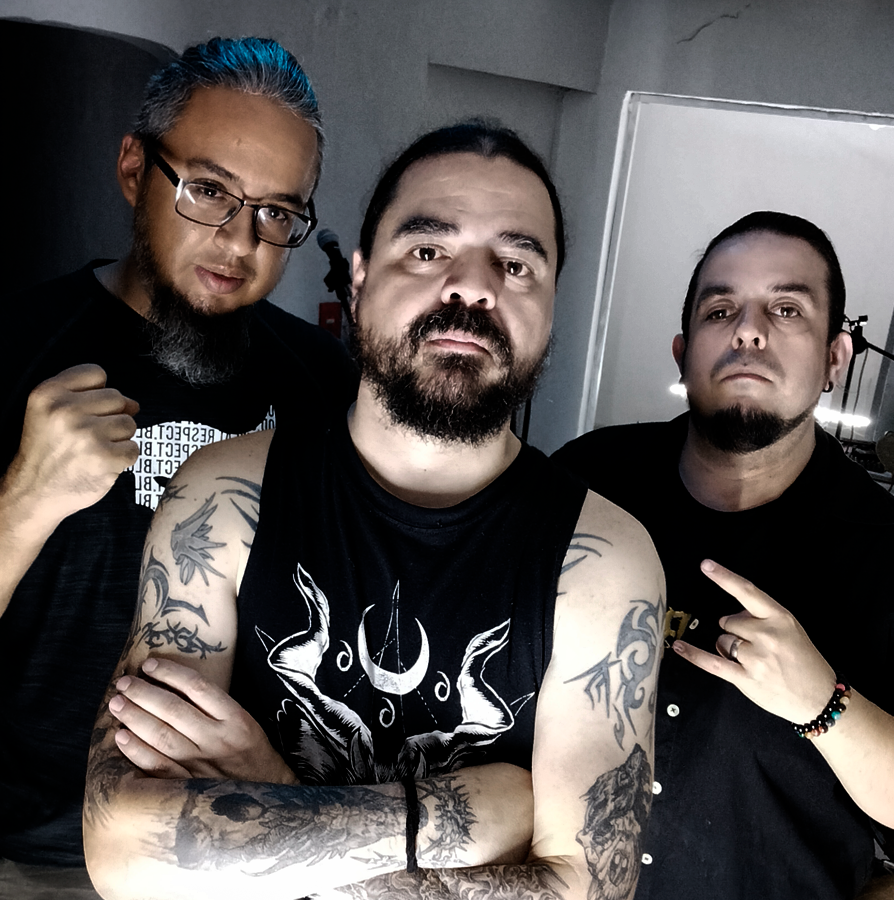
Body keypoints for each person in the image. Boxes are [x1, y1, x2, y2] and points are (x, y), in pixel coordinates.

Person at [83, 122, 664, 900]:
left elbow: (585, 892)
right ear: (357, 280)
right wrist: (463, 818)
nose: (472, 288)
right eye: (426, 250)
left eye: (516, 263)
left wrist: (271, 784)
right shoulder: (224, 499)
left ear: (550, 305)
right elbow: (124, 849)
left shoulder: (600, 559)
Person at [0, 36, 355, 898]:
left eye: (277, 212)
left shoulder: (324, 384)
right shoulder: (5, 349)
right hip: (52, 857)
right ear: (132, 170)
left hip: (261, 842)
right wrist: (21, 501)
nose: (240, 240)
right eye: (209, 191)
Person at [553, 211, 894, 900]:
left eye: (786, 309)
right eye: (720, 310)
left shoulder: (887, 552)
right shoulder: (583, 483)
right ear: (682, 352)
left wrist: (822, 703)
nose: (748, 330)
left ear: (835, 359)